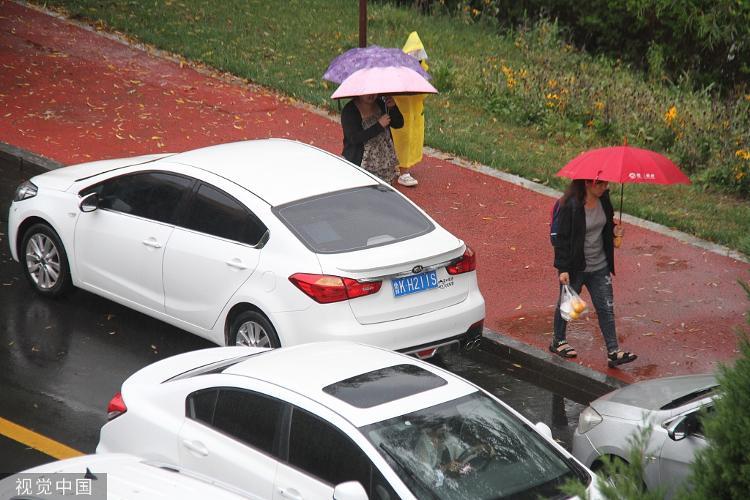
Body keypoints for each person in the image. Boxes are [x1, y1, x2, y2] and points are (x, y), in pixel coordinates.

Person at [551, 178, 637, 368]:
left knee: (606, 308)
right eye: (600, 184)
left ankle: (613, 352)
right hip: (575, 266)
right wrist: (562, 268)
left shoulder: (604, 199)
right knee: (568, 305)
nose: (605, 187)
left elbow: (606, 224)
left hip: (600, 266)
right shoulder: (570, 205)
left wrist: (615, 230)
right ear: (588, 183)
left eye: (606, 184)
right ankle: (558, 341)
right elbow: (561, 239)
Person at [392, 31, 430, 187]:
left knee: (411, 140)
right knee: (401, 140)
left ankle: (402, 167)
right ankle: (403, 171)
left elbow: (424, 93)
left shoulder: (422, 70)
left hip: (414, 113)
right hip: (402, 112)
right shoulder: (399, 71)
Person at [341, 94, 404, 184]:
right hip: (361, 162)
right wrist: (378, 126)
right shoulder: (349, 111)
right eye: (367, 93)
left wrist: (393, 107)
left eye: (374, 92)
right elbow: (353, 138)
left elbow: (399, 124)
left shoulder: (381, 103)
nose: (372, 95)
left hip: (384, 159)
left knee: (384, 190)